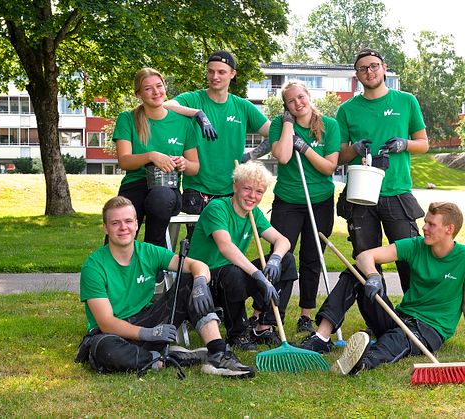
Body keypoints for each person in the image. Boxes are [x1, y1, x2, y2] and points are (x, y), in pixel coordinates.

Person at [300, 202, 465, 375]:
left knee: (397, 340)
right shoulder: (416, 245)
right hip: (399, 317)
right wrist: (372, 277)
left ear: (449, 229)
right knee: (357, 271)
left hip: (430, 329)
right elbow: (364, 257)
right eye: (425, 222)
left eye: (431, 224)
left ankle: (363, 362)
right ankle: (321, 337)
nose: (424, 228)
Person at [75, 195, 255, 378]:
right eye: (115, 223)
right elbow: (106, 323)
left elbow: (197, 265)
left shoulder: (149, 251)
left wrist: (200, 282)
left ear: (137, 224)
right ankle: (169, 358)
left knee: (189, 280)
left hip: (147, 319)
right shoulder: (94, 266)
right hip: (114, 334)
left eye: (128, 221)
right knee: (104, 350)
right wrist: (148, 333)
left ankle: (218, 354)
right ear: (105, 227)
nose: (123, 228)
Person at [335, 48, 429, 293]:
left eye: (374, 65)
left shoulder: (406, 101)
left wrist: (404, 144)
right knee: (367, 260)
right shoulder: (346, 110)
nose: (370, 71)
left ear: (384, 68)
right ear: (357, 75)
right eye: (363, 68)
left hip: (396, 190)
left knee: (409, 257)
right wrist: (355, 149)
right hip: (361, 194)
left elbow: (424, 144)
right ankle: (378, 318)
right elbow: (339, 156)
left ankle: (413, 315)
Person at [188, 161, 298, 351]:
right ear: (235, 187)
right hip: (204, 282)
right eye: (247, 189)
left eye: (258, 192)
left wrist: (275, 258)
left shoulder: (253, 213)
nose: (252, 196)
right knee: (233, 272)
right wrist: (257, 275)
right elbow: (226, 247)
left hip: (231, 277)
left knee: (287, 261)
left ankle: (263, 325)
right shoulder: (217, 208)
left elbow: (283, 241)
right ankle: (237, 334)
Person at [268, 80, 340, 335]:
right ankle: (274, 314)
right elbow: (284, 156)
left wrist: (306, 148)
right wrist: (288, 125)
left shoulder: (329, 125)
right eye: (291, 100)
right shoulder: (279, 124)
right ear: (286, 106)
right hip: (288, 200)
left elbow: (329, 167)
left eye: (301, 97)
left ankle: (306, 315)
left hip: (319, 201)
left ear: (308, 96)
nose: (298, 103)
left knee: (312, 258)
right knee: (282, 257)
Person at [164, 51, 271, 215]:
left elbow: (274, 134)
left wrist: (250, 156)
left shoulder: (242, 106)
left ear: (232, 74)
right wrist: (197, 113)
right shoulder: (194, 99)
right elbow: (165, 106)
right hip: (197, 189)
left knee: (225, 240)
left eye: (221, 72)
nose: (215, 76)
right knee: (197, 240)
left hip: (230, 189)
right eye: (211, 71)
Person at [112, 67, 200, 247]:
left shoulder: (183, 123)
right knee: (122, 219)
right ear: (138, 94)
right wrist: (151, 156)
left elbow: (195, 166)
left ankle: (154, 260)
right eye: (148, 88)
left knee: (159, 198)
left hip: (167, 189)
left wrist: (184, 163)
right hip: (134, 186)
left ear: (165, 87)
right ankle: (115, 268)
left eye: (159, 86)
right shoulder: (127, 119)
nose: (155, 92)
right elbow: (124, 161)